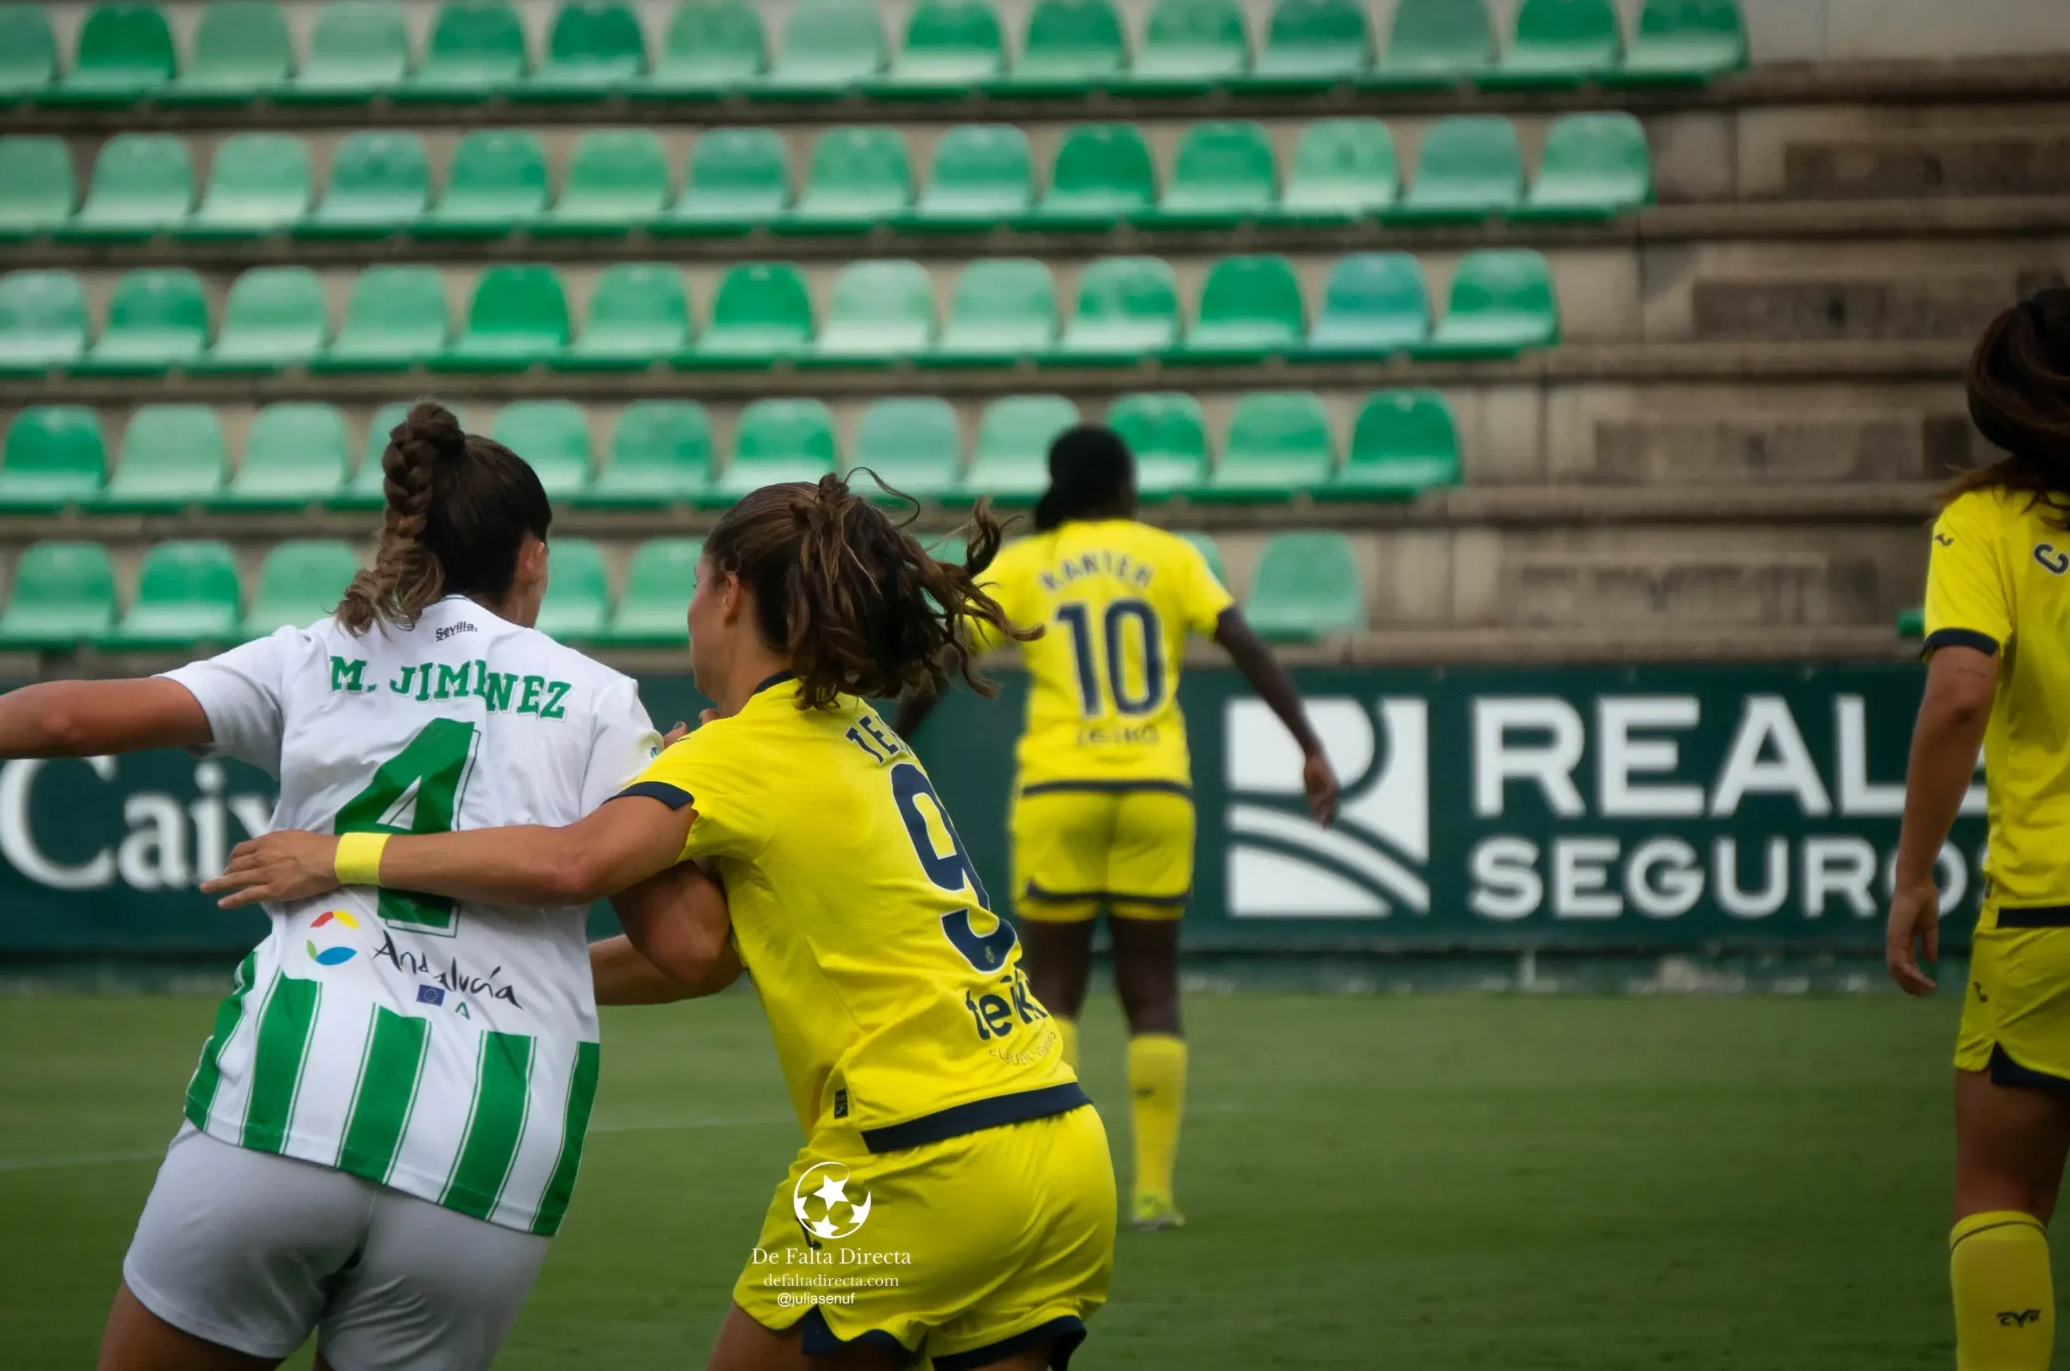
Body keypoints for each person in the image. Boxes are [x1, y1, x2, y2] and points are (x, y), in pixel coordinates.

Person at [0, 403, 692, 1371]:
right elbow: (690, 952)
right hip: (488, 1146)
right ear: (533, 556)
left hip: (291, 1098)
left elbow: (74, 720)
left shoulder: (316, 655)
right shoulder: (598, 699)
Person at [202, 477, 1119, 1371]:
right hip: (1058, 1138)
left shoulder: (738, 750)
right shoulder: (858, 732)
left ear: (730, 593)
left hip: (914, 1157)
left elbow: (572, 862)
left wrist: (340, 855)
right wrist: (529, 974)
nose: (687, 611)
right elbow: (702, 956)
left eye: (692, 585)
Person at [892, 425, 1337, 1231]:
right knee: (1153, 990)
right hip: (1155, 787)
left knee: (1053, 989)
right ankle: (1156, 1193)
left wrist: (892, 739)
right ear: (1124, 487)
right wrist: (1308, 745)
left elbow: (948, 656)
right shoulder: (1169, 557)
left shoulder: (1029, 564)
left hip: (1062, 787)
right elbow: (1244, 643)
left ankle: (1054, 1186)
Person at [1888, 286, 2070, 1371]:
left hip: (2061, 905)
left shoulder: (1981, 522)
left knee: (1999, 1198)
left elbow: (1961, 692)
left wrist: (1912, 872)